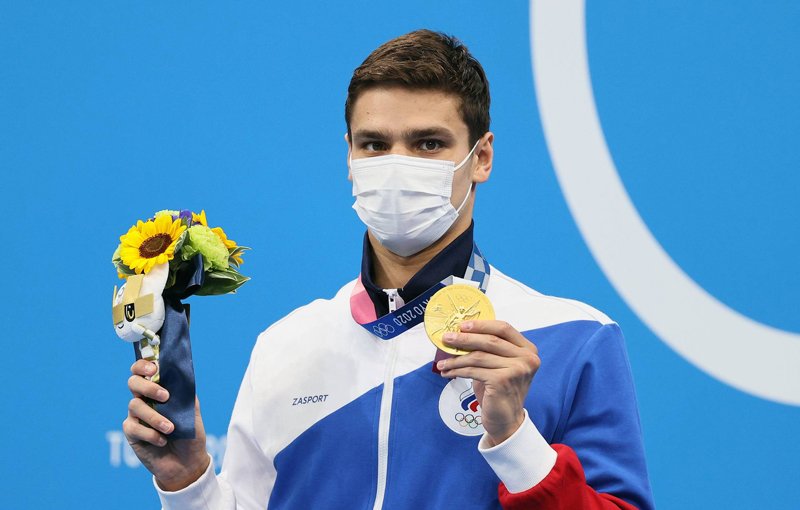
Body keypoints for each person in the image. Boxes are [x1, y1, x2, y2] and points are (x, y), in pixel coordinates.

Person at [124, 29, 654, 509]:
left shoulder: (575, 338)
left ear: (481, 157)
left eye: (429, 143)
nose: (397, 164)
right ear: (349, 157)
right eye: (375, 145)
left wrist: (516, 439)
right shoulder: (285, 345)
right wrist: (188, 482)